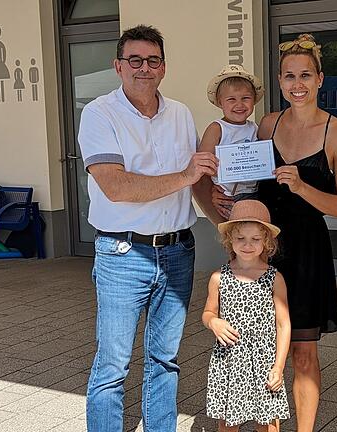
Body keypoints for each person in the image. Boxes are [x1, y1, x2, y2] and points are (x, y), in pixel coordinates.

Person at [210, 33, 337, 431]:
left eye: (306, 75)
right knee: (257, 348)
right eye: (289, 76)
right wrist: (224, 197)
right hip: (262, 250)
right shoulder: (268, 123)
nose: (298, 84)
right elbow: (248, 178)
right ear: (279, 81)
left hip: (307, 251)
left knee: (303, 354)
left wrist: (303, 186)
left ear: (320, 79)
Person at [78, 25, 217, 432]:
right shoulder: (99, 113)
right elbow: (115, 186)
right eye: (134, 60)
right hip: (122, 255)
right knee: (112, 366)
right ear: (118, 66)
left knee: (165, 360)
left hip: (177, 251)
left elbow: (197, 183)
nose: (144, 68)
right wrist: (186, 175)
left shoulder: (180, 114)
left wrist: (228, 225)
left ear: (164, 68)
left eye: (152, 60)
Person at [203, 200, 290, 432]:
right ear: (230, 239)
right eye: (241, 238)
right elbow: (208, 312)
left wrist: (279, 366)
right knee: (229, 422)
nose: (248, 245)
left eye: (255, 239)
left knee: (268, 422)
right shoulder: (218, 277)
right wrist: (213, 321)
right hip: (230, 361)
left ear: (267, 242)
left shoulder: (275, 278)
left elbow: (283, 325)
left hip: (265, 361)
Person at [194, 65, 265, 225]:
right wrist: (212, 187)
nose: (239, 104)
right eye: (231, 99)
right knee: (237, 237)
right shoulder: (217, 128)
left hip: (254, 193)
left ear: (254, 101)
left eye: (245, 98)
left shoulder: (254, 127)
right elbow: (203, 165)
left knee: (255, 238)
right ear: (220, 102)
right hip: (227, 195)